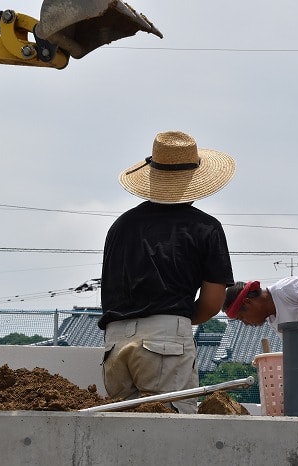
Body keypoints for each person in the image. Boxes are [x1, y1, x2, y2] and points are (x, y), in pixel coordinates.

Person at [98, 130, 236, 414]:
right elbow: (211, 303)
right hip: (165, 341)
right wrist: (177, 321)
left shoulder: (120, 226)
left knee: (121, 434)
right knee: (171, 432)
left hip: (115, 341)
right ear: (194, 179)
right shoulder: (206, 228)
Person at [223, 277, 298, 336]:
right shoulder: (272, 320)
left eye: (242, 318)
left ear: (247, 302)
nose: (246, 323)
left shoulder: (285, 289)